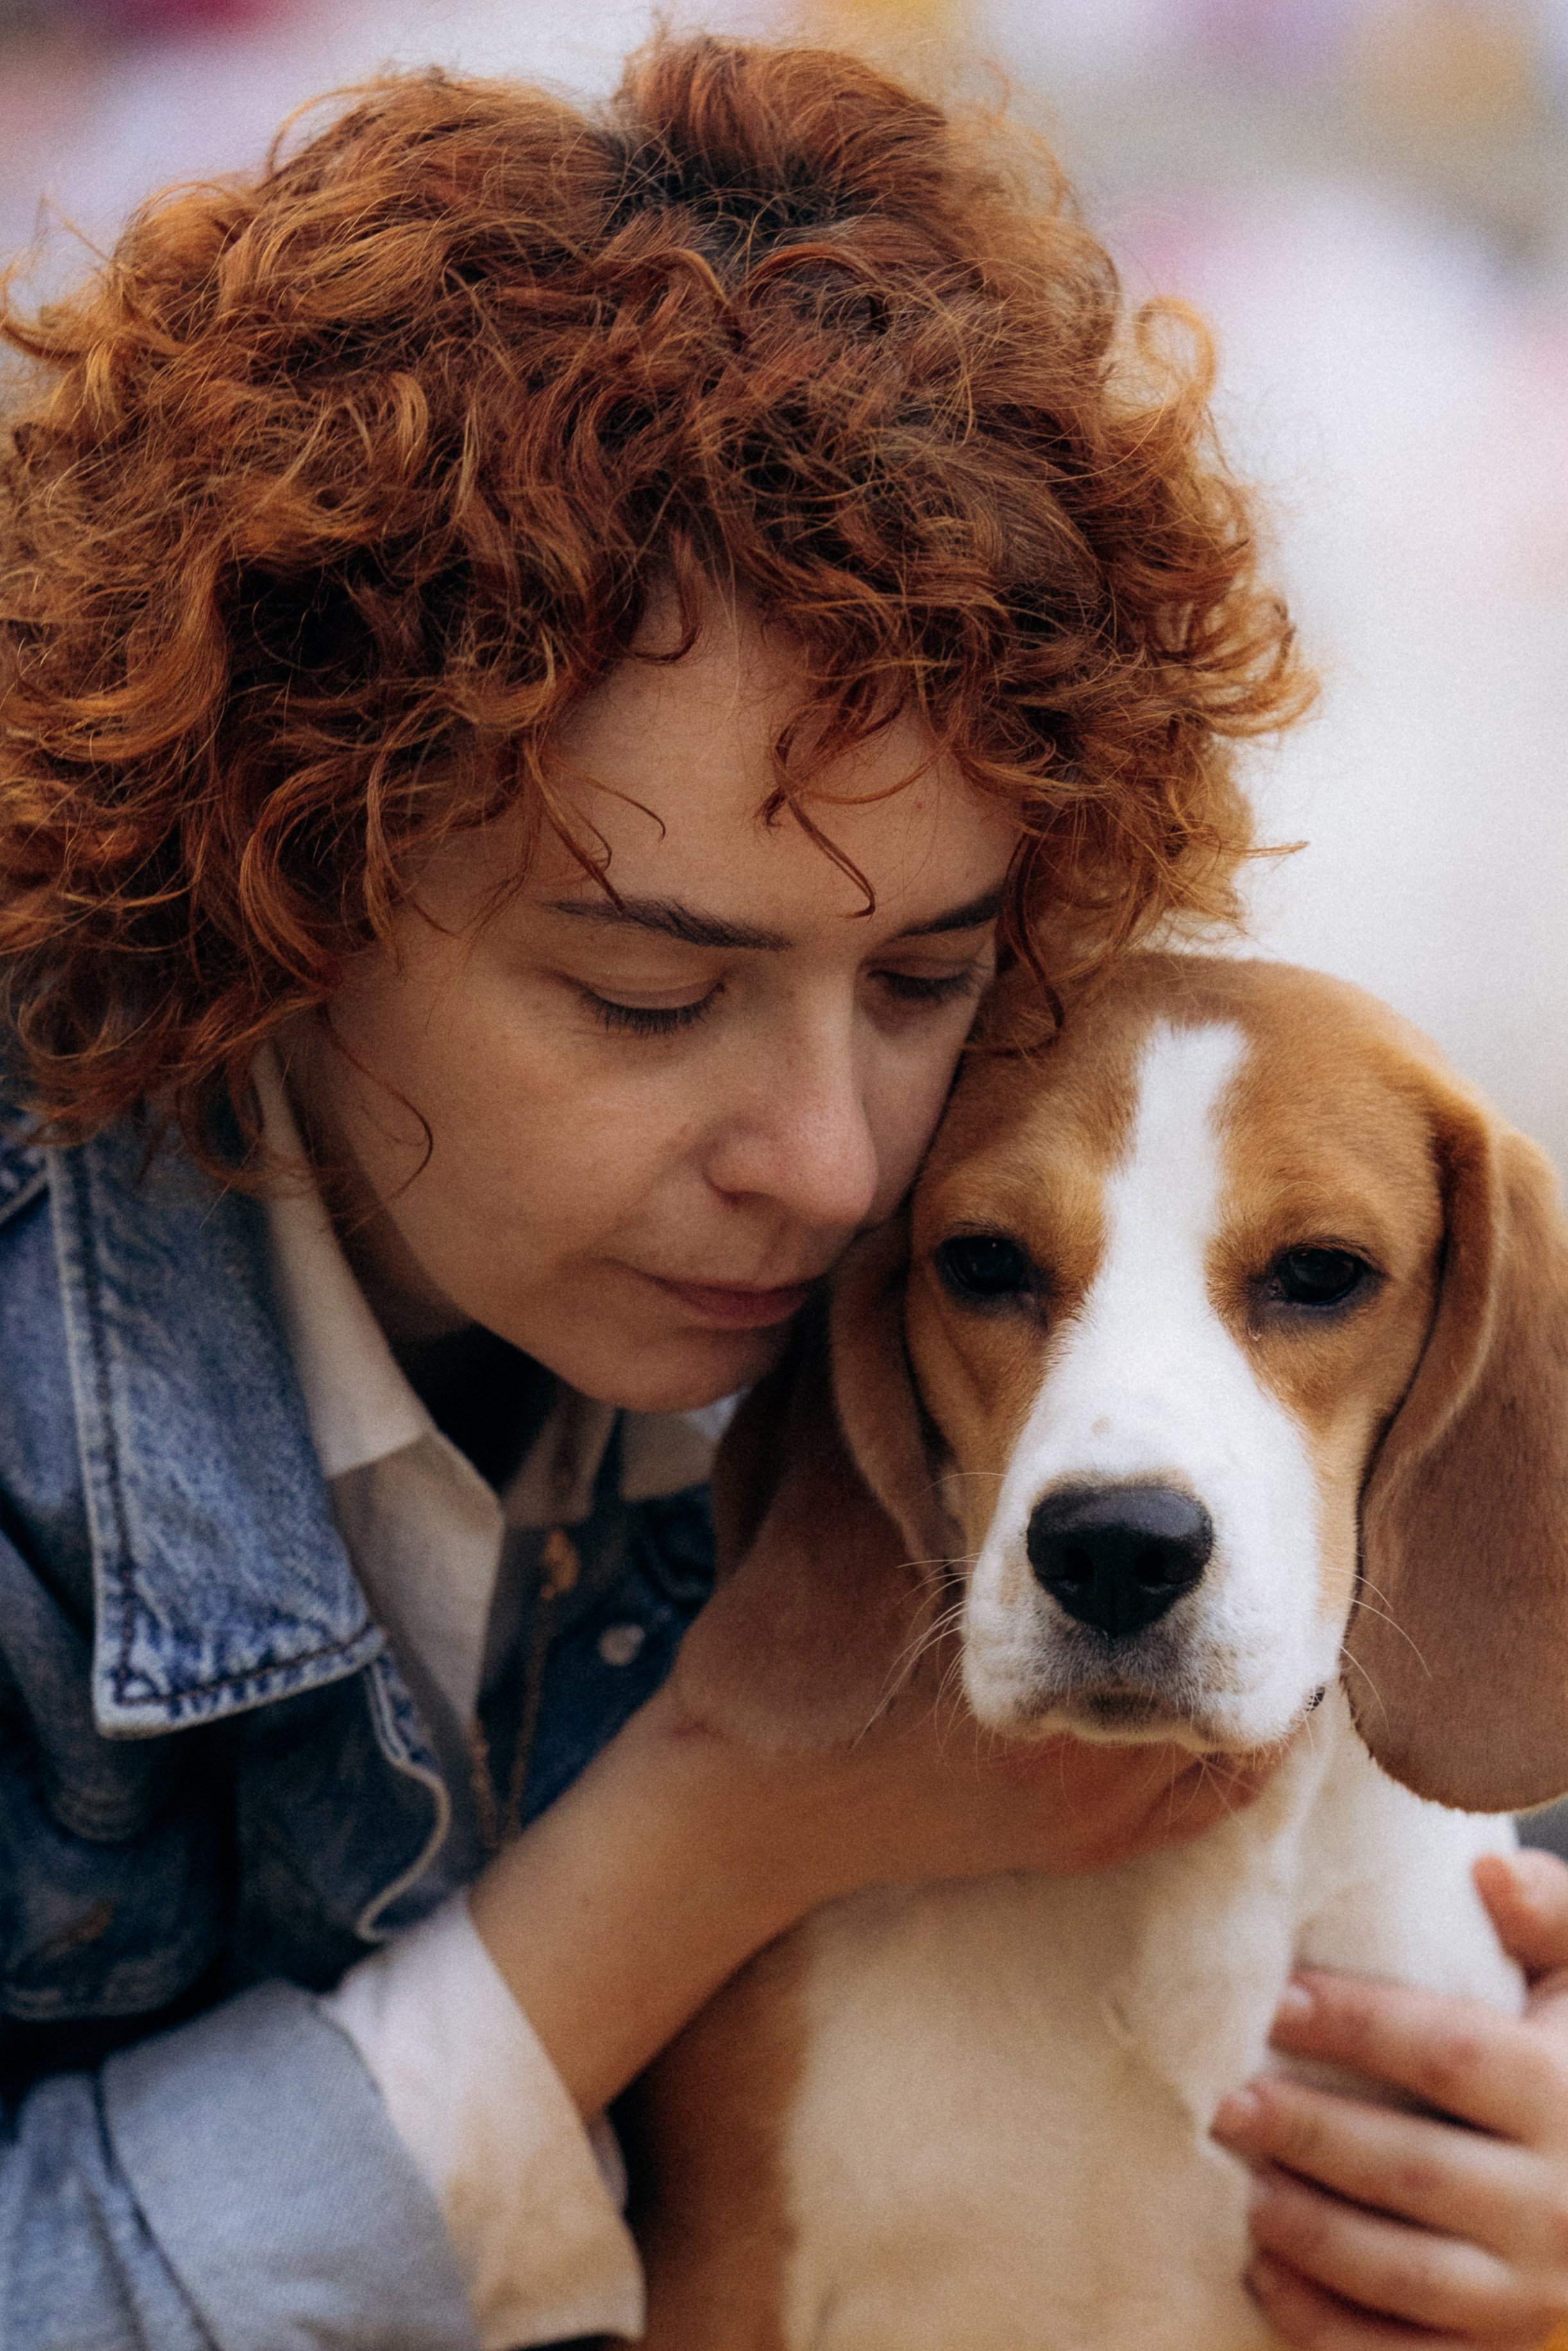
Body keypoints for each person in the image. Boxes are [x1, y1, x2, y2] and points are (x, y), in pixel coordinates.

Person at [0, 29, 1561, 2351]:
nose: (832, 1163)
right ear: (280, 896)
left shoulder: (951, 1284)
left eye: (928, 974)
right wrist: (726, 1825)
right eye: (648, 994)